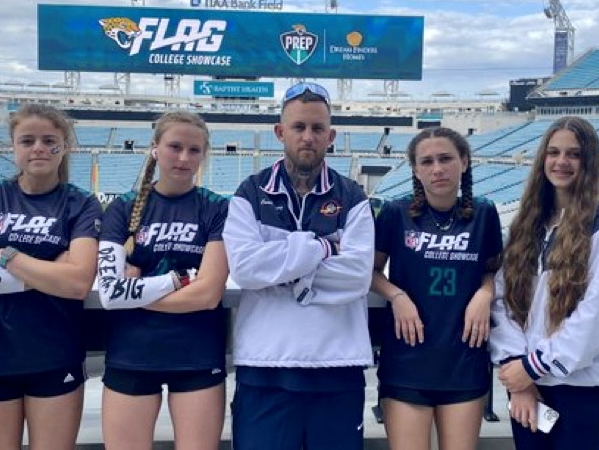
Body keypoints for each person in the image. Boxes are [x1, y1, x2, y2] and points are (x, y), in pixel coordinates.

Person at [223, 82, 375, 450]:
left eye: (318, 128)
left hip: (338, 365)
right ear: (280, 132)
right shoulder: (250, 192)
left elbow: (356, 276)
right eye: (298, 127)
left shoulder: (352, 197)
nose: (308, 137)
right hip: (264, 365)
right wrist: (323, 247)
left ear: (331, 135)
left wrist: (279, 263)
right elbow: (244, 268)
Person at [0, 103, 102, 450]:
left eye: (49, 140)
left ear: (64, 146)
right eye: (27, 140)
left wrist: (6, 256)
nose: (39, 148)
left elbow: (77, 284)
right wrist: (50, 273)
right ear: (13, 146)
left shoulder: (81, 204)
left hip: (54, 353)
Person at [490, 116, 599, 450]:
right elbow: (502, 303)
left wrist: (531, 368)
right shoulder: (526, 226)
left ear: (589, 162)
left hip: (582, 394)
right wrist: (519, 378)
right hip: (529, 392)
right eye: (553, 152)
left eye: (573, 154)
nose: (561, 162)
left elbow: (597, 318)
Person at [96, 111, 229, 450]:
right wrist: (181, 279)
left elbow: (209, 295)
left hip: (197, 354)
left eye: (194, 150)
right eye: (175, 147)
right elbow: (111, 294)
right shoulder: (121, 209)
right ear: (155, 148)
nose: (184, 158)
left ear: (203, 154)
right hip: (132, 353)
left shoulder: (216, 208)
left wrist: (136, 293)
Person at [371, 127, 502, 450]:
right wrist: (396, 295)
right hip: (406, 361)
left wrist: (486, 293)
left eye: (445, 158)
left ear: (464, 162)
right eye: (426, 161)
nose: (437, 168)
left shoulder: (484, 213)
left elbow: (494, 271)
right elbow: (367, 271)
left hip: (463, 361)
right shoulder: (395, 213)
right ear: (415, 169)